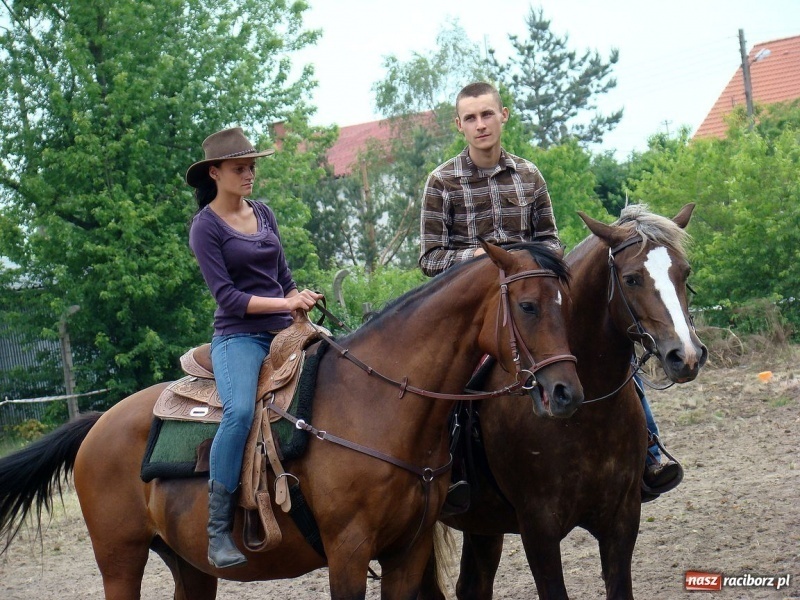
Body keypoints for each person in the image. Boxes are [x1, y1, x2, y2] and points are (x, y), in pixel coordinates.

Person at [419, 82, 681, 509]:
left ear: (503, 115)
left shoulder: (529, 175)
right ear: (459, 125)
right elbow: (430, 258)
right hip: (476, 306)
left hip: (535, 299)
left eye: (487, 114)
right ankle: (451, 474)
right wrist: (495, 261)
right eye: (471, 118)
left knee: (606, 352)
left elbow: (551, 241)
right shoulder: (442, 183)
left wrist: (524, 265)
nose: (480, 124)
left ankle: (649, 449)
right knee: (451, 377)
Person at [186, 127, 322, 568]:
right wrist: (285, 301)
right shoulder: (205, 227)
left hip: (286, 328)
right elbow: (227, 298)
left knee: (349, 374)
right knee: (241, 412)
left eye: (252, 167)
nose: (250, 174)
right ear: (215, 172)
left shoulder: (262, 213)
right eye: (240, 168)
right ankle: (218, 530)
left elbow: (282, 275)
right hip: (238, 337)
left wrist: (298, 305)